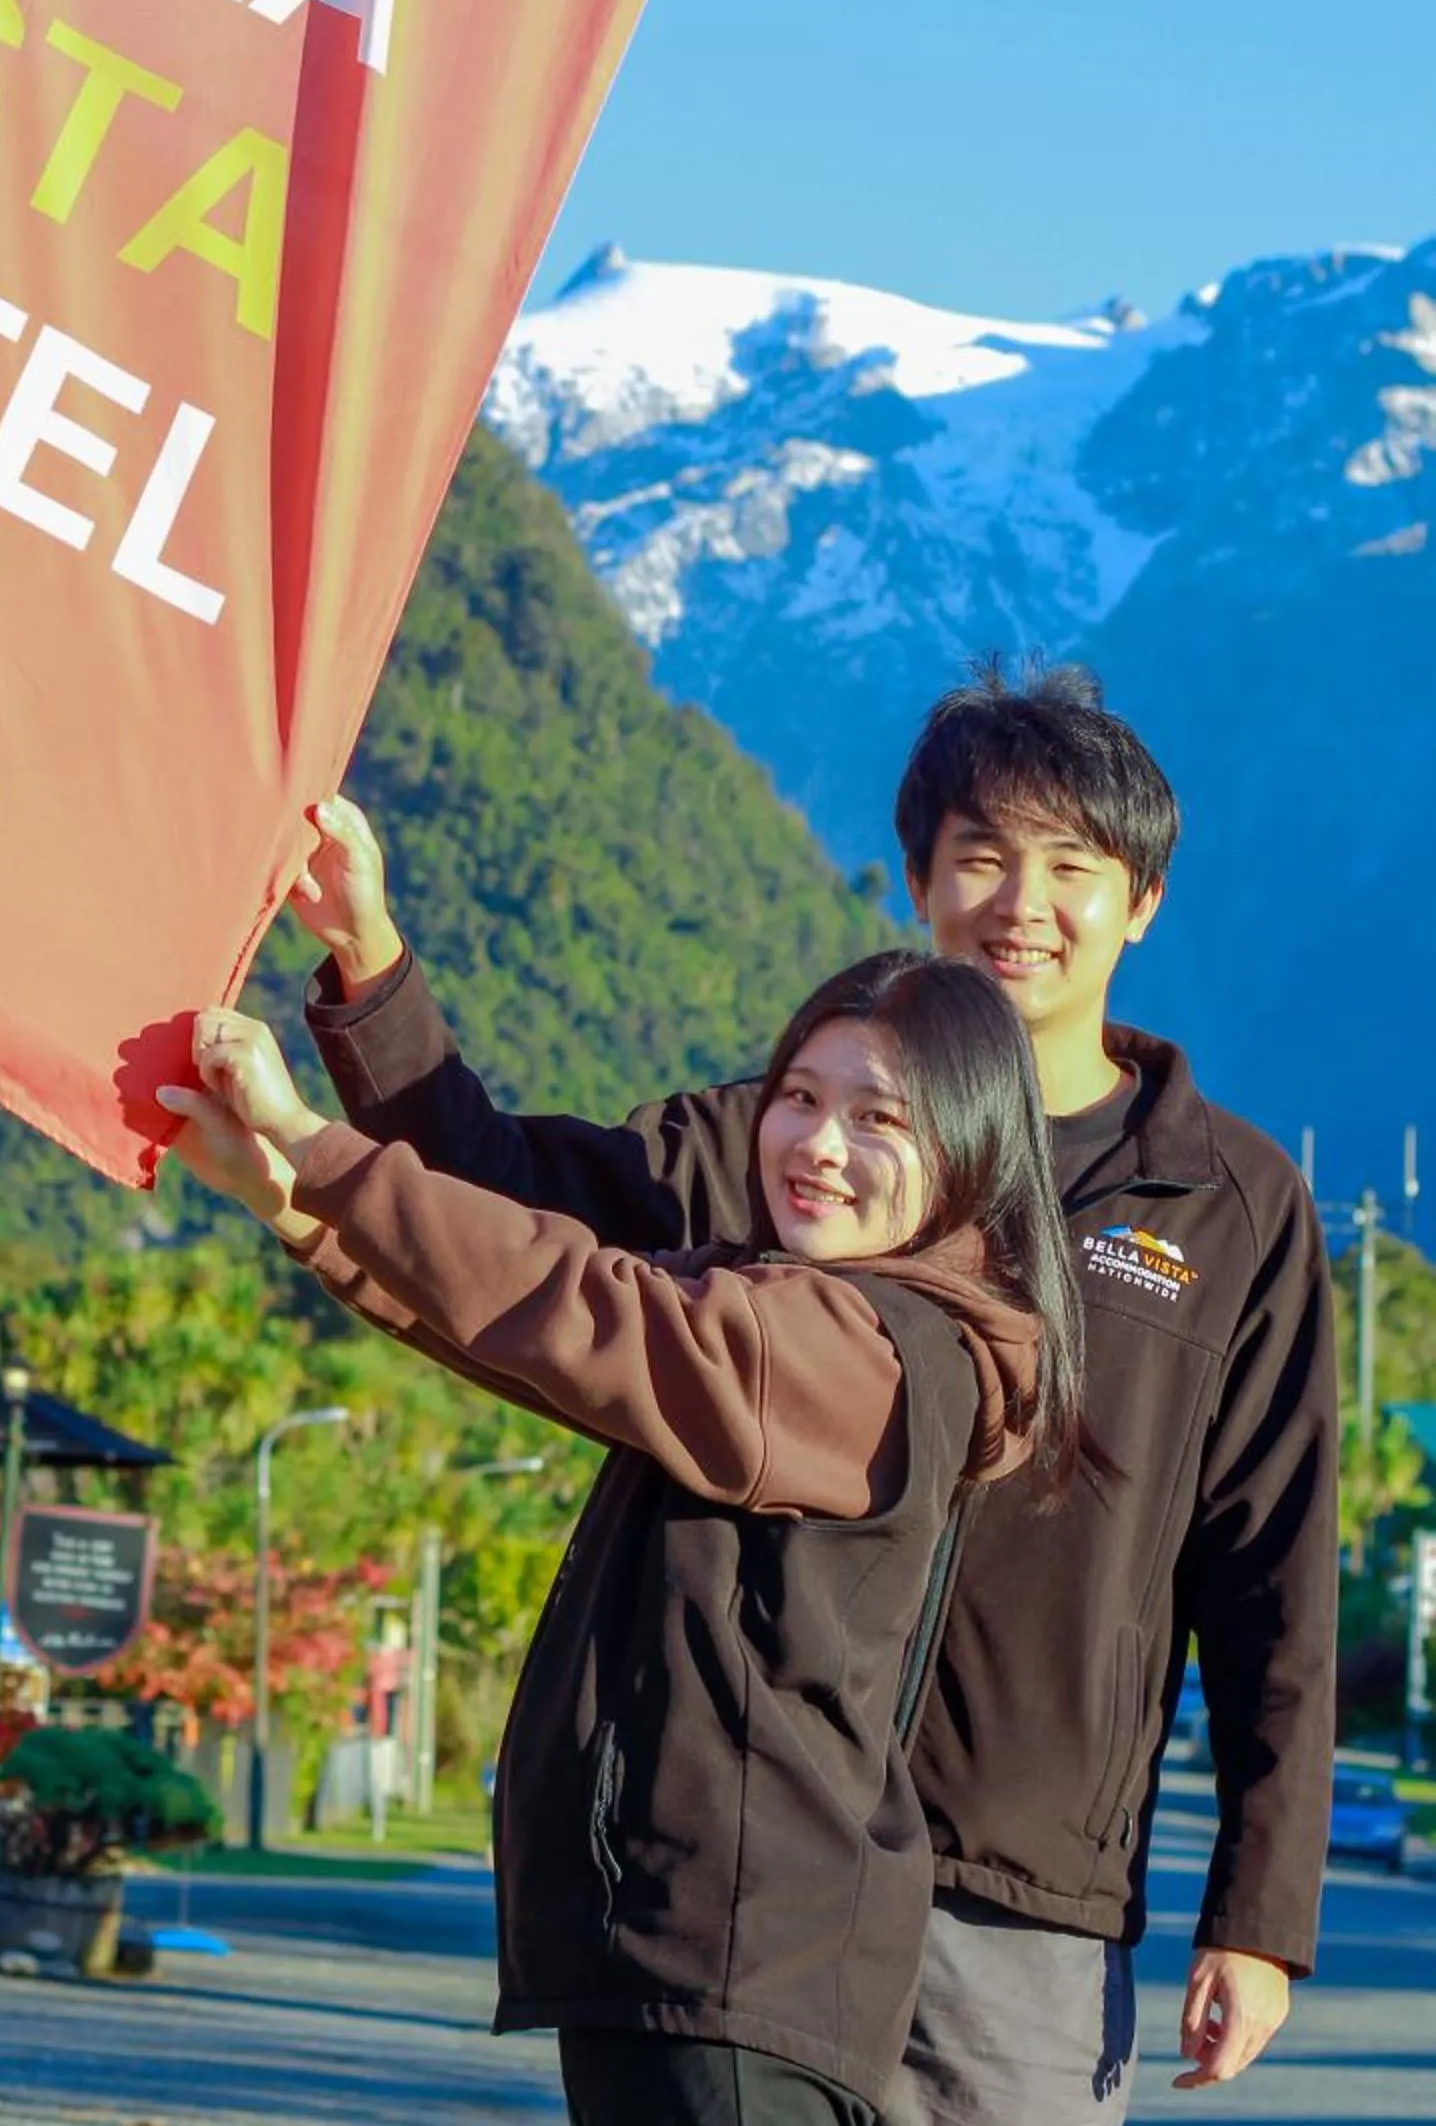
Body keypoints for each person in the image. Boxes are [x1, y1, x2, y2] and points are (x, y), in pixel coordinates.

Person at [282, 664, 1339, 2121]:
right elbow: (512, 1213)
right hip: (775, 1860)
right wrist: (368, 965)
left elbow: (1273, 1573)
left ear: (1140, 902)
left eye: (1070, 868)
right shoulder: (794, 1138)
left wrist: (1260, 1915)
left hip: (1013, 1886)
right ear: (919, 884)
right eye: (981, 856)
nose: (1021, 904)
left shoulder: (1230, 1205)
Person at [163, 950, 1084, 2126]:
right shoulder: (794, 1311)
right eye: (798, 1098)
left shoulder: (870, 1350)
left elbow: (588, 1308)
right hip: (697, 1958)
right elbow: (534, 1332)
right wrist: (293, 1202)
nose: (817, 1145)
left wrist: (314, 1144)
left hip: (734, 1962)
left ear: (969, 1147)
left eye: (877, 1119)